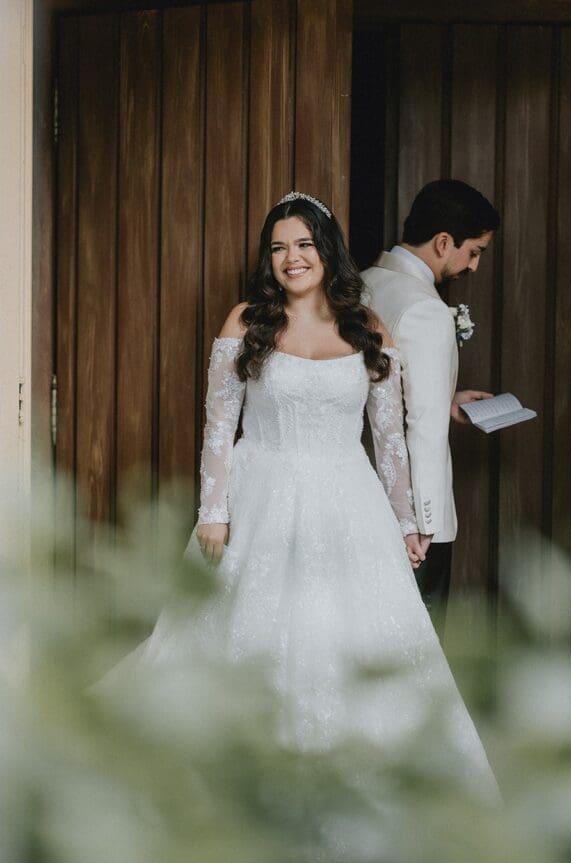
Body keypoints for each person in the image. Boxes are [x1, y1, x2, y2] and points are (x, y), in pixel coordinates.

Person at [94, 192, 498, 806]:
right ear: (269, 259)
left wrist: (408, 521)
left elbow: (390, 439)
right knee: (239, 636)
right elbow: (218, 430)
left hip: (347, 501)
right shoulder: (246, 322)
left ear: (327, 251)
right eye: (279, 247)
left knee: (342, 640)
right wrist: (212, 512)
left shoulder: (367, 329)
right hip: (262, 495)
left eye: (304, 244)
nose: (292, 258)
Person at [361, 180, 500, 640]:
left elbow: (377, 391)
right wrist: (423, 524)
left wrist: (448, 400)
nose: (474, 266)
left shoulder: (361, 285)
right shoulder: (424, 308)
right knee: (416, 647)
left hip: (357, 491)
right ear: (444, 242)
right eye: (474, 251)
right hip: (412, 519)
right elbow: (421, 427)